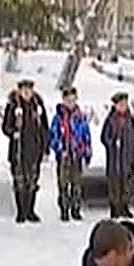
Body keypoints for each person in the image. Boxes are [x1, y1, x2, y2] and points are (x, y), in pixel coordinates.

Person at [1, 78, 49, 223]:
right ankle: (21, 211)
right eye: (24, 90)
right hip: (19, 150)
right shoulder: (14, 105)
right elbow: (6, 126)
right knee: (19, 181)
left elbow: (44, 128)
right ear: (19, 91)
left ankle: (31, 210)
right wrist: (13, 131)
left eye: (29, 90)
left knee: (32, 181)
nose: (27, 93)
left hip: (35, 150)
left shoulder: (38, 106)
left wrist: (45, 147)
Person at [48, 86, 92, 221]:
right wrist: (59, 149)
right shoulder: (58, 117)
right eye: (68, 100)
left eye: (73, 100)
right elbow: (53, 136)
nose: (70, 103)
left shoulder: (81, 117)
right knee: (63, 184)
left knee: (76, 183)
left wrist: (87, 152)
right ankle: (64, 209)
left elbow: (86, 135)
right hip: (64, 156)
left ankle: (76, 208)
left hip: (77, 155)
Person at [100, 91, 134, 218]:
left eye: (125, 104)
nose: (123, 106)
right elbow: (104, 137)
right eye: (121, 104)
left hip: (127, 158)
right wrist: (112, 142)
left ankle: (124, 206)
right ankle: (115, 207)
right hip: (115, 158)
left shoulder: (130, 119)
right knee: (115, 184)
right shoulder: (110, 120)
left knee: (127, 183)